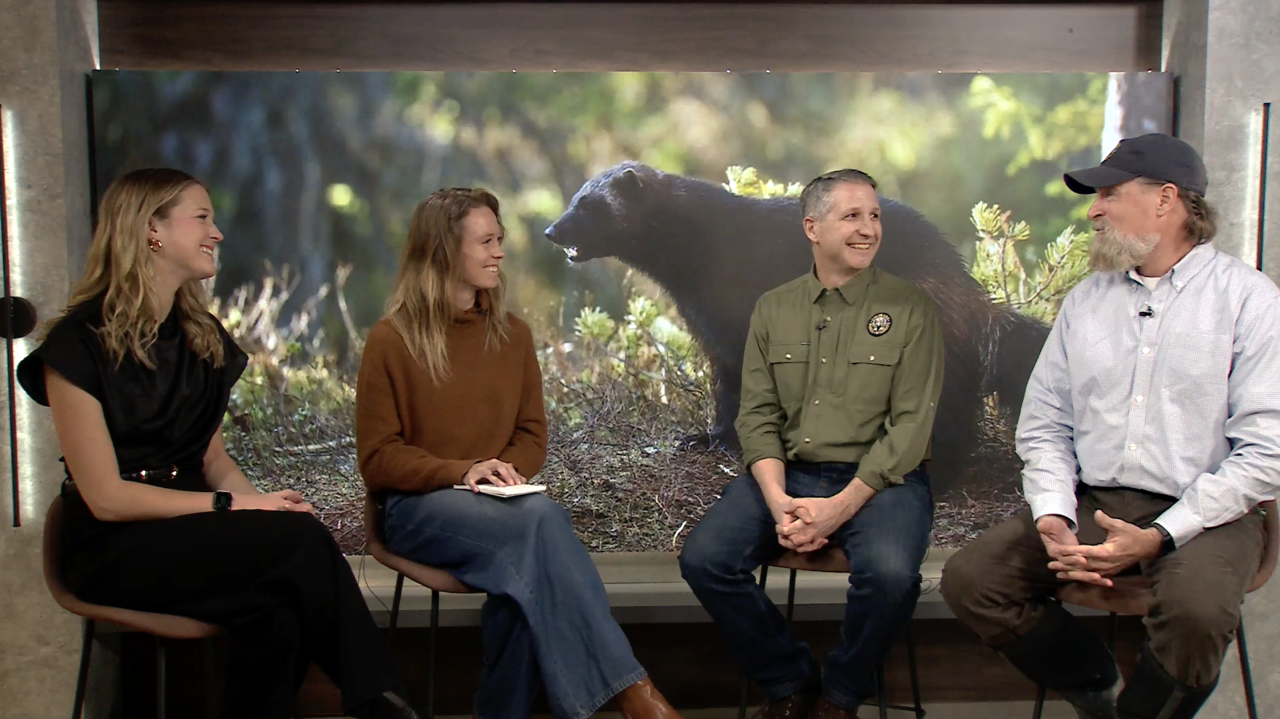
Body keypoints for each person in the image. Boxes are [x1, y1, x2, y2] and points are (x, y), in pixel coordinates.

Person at [19, 168, 419, 719]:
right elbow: (107, 498)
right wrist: (238, 508)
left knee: (279, 603)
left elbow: (213, 461)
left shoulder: (200, 337)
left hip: (190, 533)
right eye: (203, 217)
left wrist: (264, 511)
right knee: (297, 548)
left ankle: (382, 702)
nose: (218, 233)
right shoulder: (74, 348)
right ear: (151, 230)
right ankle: (384, 705)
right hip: (112, 546)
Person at [940, 134, 1280, 719]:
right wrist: (1051, 512)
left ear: (1167, 200)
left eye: (1109, 194)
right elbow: (1046, 423)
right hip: (1095, 500)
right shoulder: (1086, 302)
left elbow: (1266, 452)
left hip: (1209, 511)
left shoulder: (1249, 300)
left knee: (1197, 614)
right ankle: (1094, 685)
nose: (1093, 209)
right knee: (973, 580)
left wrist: (1162, 535)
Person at [354, 187, 683, 719]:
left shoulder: (513, 336)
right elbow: (379, 459)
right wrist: (464, 472)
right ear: (443, 251)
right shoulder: (391, 340)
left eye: (499, 240)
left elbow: (531, 437)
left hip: (505, 509)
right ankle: (634, 693)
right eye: (486, 241)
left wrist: (501, 476)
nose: (499, 252)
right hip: (417, 510)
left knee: (526, 573)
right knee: (541, 525)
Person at [678, 169, 945, 719]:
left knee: (892, 576)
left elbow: (911, 428)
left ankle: (839, 696)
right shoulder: (773, 309)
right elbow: (755, 416)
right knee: (706, 560)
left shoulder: (912, 308)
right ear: (811, 228)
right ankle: (789, 680)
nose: (868, 229)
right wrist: (778, 500)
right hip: (790, 474)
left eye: (874, 216)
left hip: (883, 482)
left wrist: (837, 508)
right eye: (852, 216)